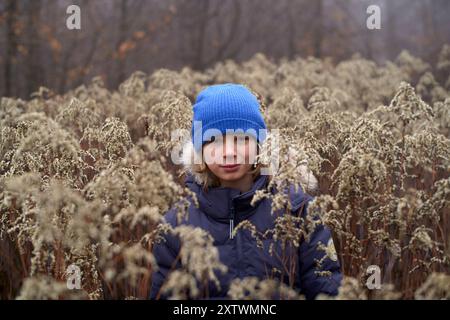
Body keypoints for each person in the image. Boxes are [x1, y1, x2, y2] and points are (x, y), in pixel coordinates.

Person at [150, 83, 342, 299]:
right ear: (199, 150)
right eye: (214, 141)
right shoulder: (176, 224)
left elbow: (327, 288)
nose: (229, 153)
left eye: (241, 139)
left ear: (260, 144)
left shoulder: (299, 211)